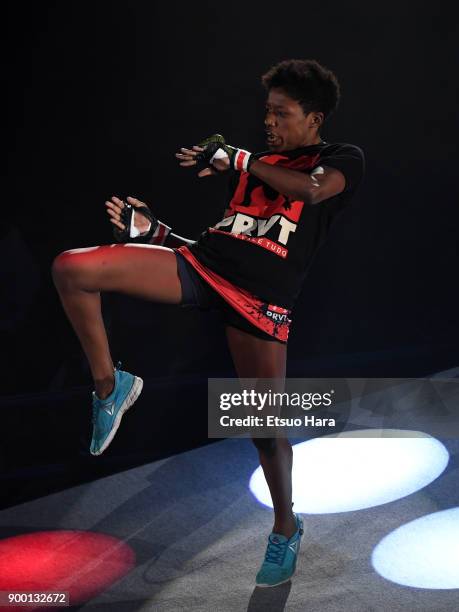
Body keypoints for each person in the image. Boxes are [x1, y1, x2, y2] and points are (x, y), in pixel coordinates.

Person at [52, 58, 364, 587]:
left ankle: (286, 527)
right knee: (73, 268)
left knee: (265, 433)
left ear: (313, 119)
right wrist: (160, 233)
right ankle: (111, 385)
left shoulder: (339, 159)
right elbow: (225, 246)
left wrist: (240, 160)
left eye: (281, 113)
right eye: (267, 112)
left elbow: (310, 192)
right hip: (203, 268)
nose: (270, 122)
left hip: (260, 304)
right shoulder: (256, 163)